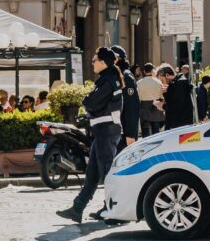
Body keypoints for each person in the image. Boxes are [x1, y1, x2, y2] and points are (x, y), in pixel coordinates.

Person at [56, 46, 124, 223]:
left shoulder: (107, 81)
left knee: (107, 172)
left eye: (94, 60)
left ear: (103, 62)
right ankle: (77, 208)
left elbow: (91, 102)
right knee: (93, 173)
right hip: (104, 130)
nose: (92, 63)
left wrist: (88, 103)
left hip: (105, 130)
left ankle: (115, 210)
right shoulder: (109, 79)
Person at [111, 44, 140, 151]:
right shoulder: (116, 74)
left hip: (125, 133)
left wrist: (131, 134)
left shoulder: (126, 76)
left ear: (117, 58)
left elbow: (132, 107)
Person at [157, 64, 194, 129]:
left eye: (162, 80)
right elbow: (172, 101)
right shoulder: (174, 83)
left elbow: (178, 106)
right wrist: (165, 93)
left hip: (181, 124)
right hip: (176, 124)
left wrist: (163, 106)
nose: (162, 83)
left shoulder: (180, 83)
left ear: (167, 75)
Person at [137, 63, 165, 137]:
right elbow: (162, 96)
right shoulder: (158, 82)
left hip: (144, 109)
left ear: (144, 71)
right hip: (156, 108)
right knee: (155, 134)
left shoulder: (139, 83)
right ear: (153, 71)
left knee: (145, 133)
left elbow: (138, 98)